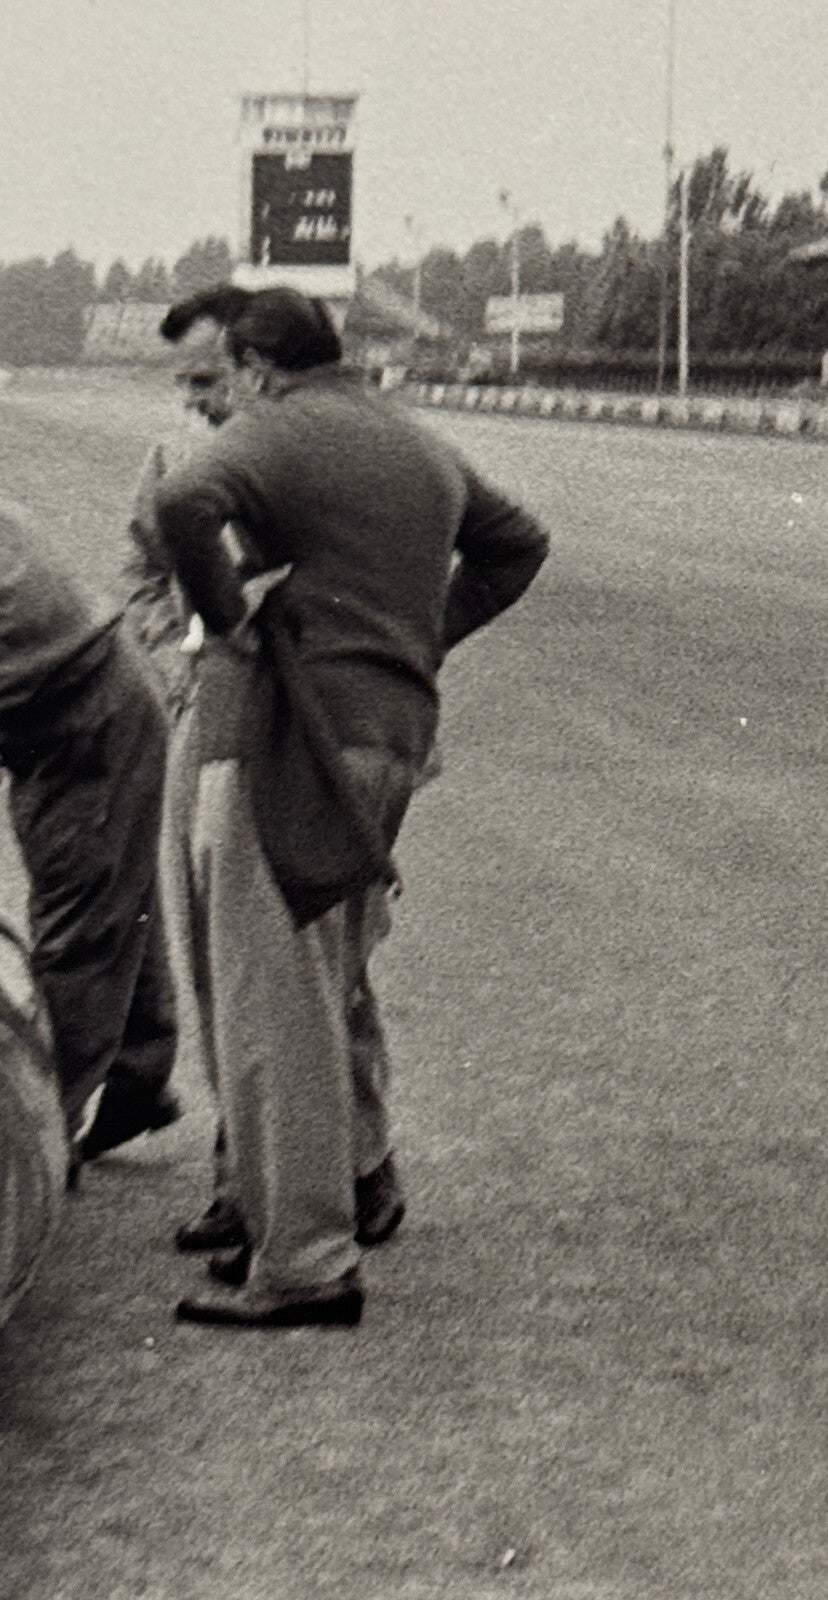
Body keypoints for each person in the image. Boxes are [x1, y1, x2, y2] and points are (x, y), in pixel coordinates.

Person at [153, 286, 549, 1327]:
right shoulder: (411, 440)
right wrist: (419, 635)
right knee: (326, 975)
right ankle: (314, 1203)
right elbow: (518, 545)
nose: (223, 397)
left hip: (295, 734)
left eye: (225, 379)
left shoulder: (280, 431)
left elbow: (180, 507)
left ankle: (306, 1260)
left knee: (271, 994)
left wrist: (229, 617)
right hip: (391, 732)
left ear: (256, 366)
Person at [119, 286, 407, 1256]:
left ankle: (361, 1169)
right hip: (213, 712)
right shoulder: (175, 461)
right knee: (216, 948)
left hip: (322, 727)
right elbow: (143, 573)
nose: (198, 401)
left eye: (211, 379)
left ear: (256, 368)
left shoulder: (327, 461)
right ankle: (247, 1180)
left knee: (329, 952)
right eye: (186, 384)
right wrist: (177, 654)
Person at [0, 498, 179, 1161]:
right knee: (117, 901)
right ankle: (137, 1078)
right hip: (84, 704)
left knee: (81, 928)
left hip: (86, 720)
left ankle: (34, 1148)